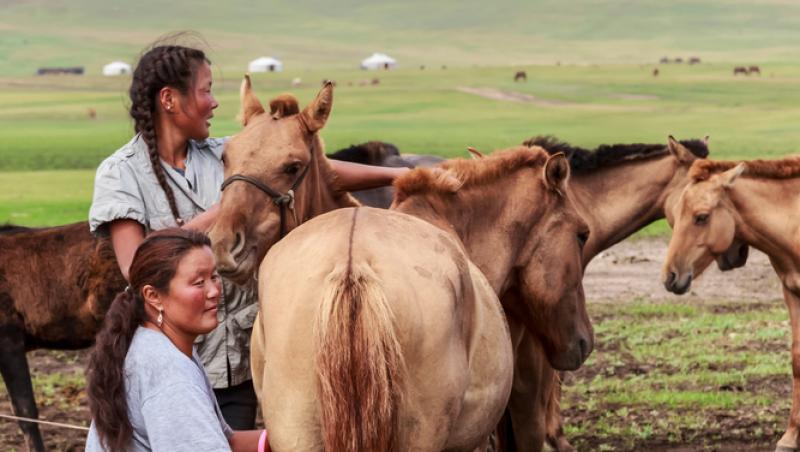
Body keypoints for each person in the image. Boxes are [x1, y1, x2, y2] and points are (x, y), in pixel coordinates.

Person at [88, 43, 407, 429]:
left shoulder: (228, 152)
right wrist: (224, 212)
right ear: (170, 100)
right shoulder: (120, 173)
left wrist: (396, 175)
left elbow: (311, 167)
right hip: (172, 359)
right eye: (205, 90)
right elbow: (135, 267)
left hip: (240, 360)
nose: (215, 103)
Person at [84, 228, 267, 451]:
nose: (213, 291)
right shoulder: (169, 372)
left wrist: (301, 435)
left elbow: (226, 441)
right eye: (199, 282)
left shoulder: (153, 344)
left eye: (214, 277)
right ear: (153, 296)